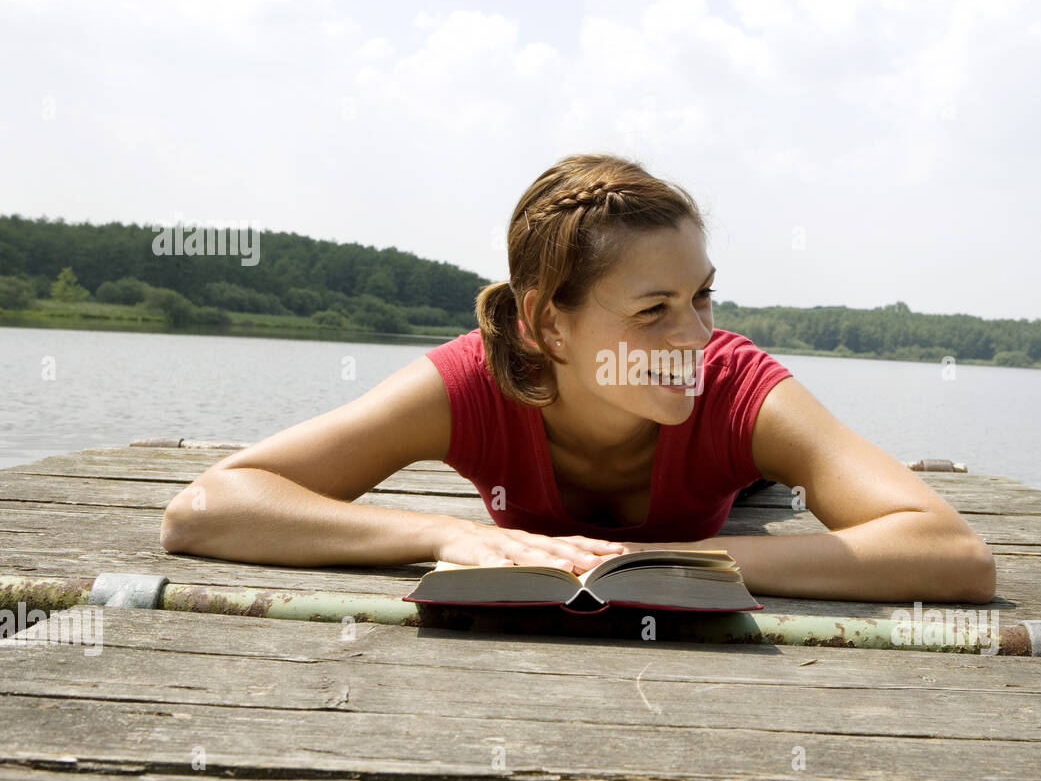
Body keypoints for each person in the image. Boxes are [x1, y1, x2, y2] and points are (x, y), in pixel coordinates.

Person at [161, 153, 995, 603]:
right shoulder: (471, 383)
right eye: (654, 309)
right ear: (546, 324)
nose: (697, 335)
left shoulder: (735, 385)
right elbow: (204, 510)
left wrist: (681, 558)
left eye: (703, 297)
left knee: (772, 493)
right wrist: (445, 535)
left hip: (738, 505)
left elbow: (953, 554)